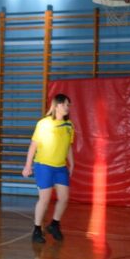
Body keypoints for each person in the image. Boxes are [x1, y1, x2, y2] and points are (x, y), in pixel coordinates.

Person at [22, 94, 75, 243]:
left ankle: (54, 225)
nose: (67, 107)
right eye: (64, 104)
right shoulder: (44, 123)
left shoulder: (69, 125)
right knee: (44, 199)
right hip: (44, 166)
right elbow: (33, 145)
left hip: (60, 167)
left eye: (68, 105)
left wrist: (72, 163)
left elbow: (68, 146)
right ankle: (37, 229)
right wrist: (28, 165)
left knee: (64, 198)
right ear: (56, 106)